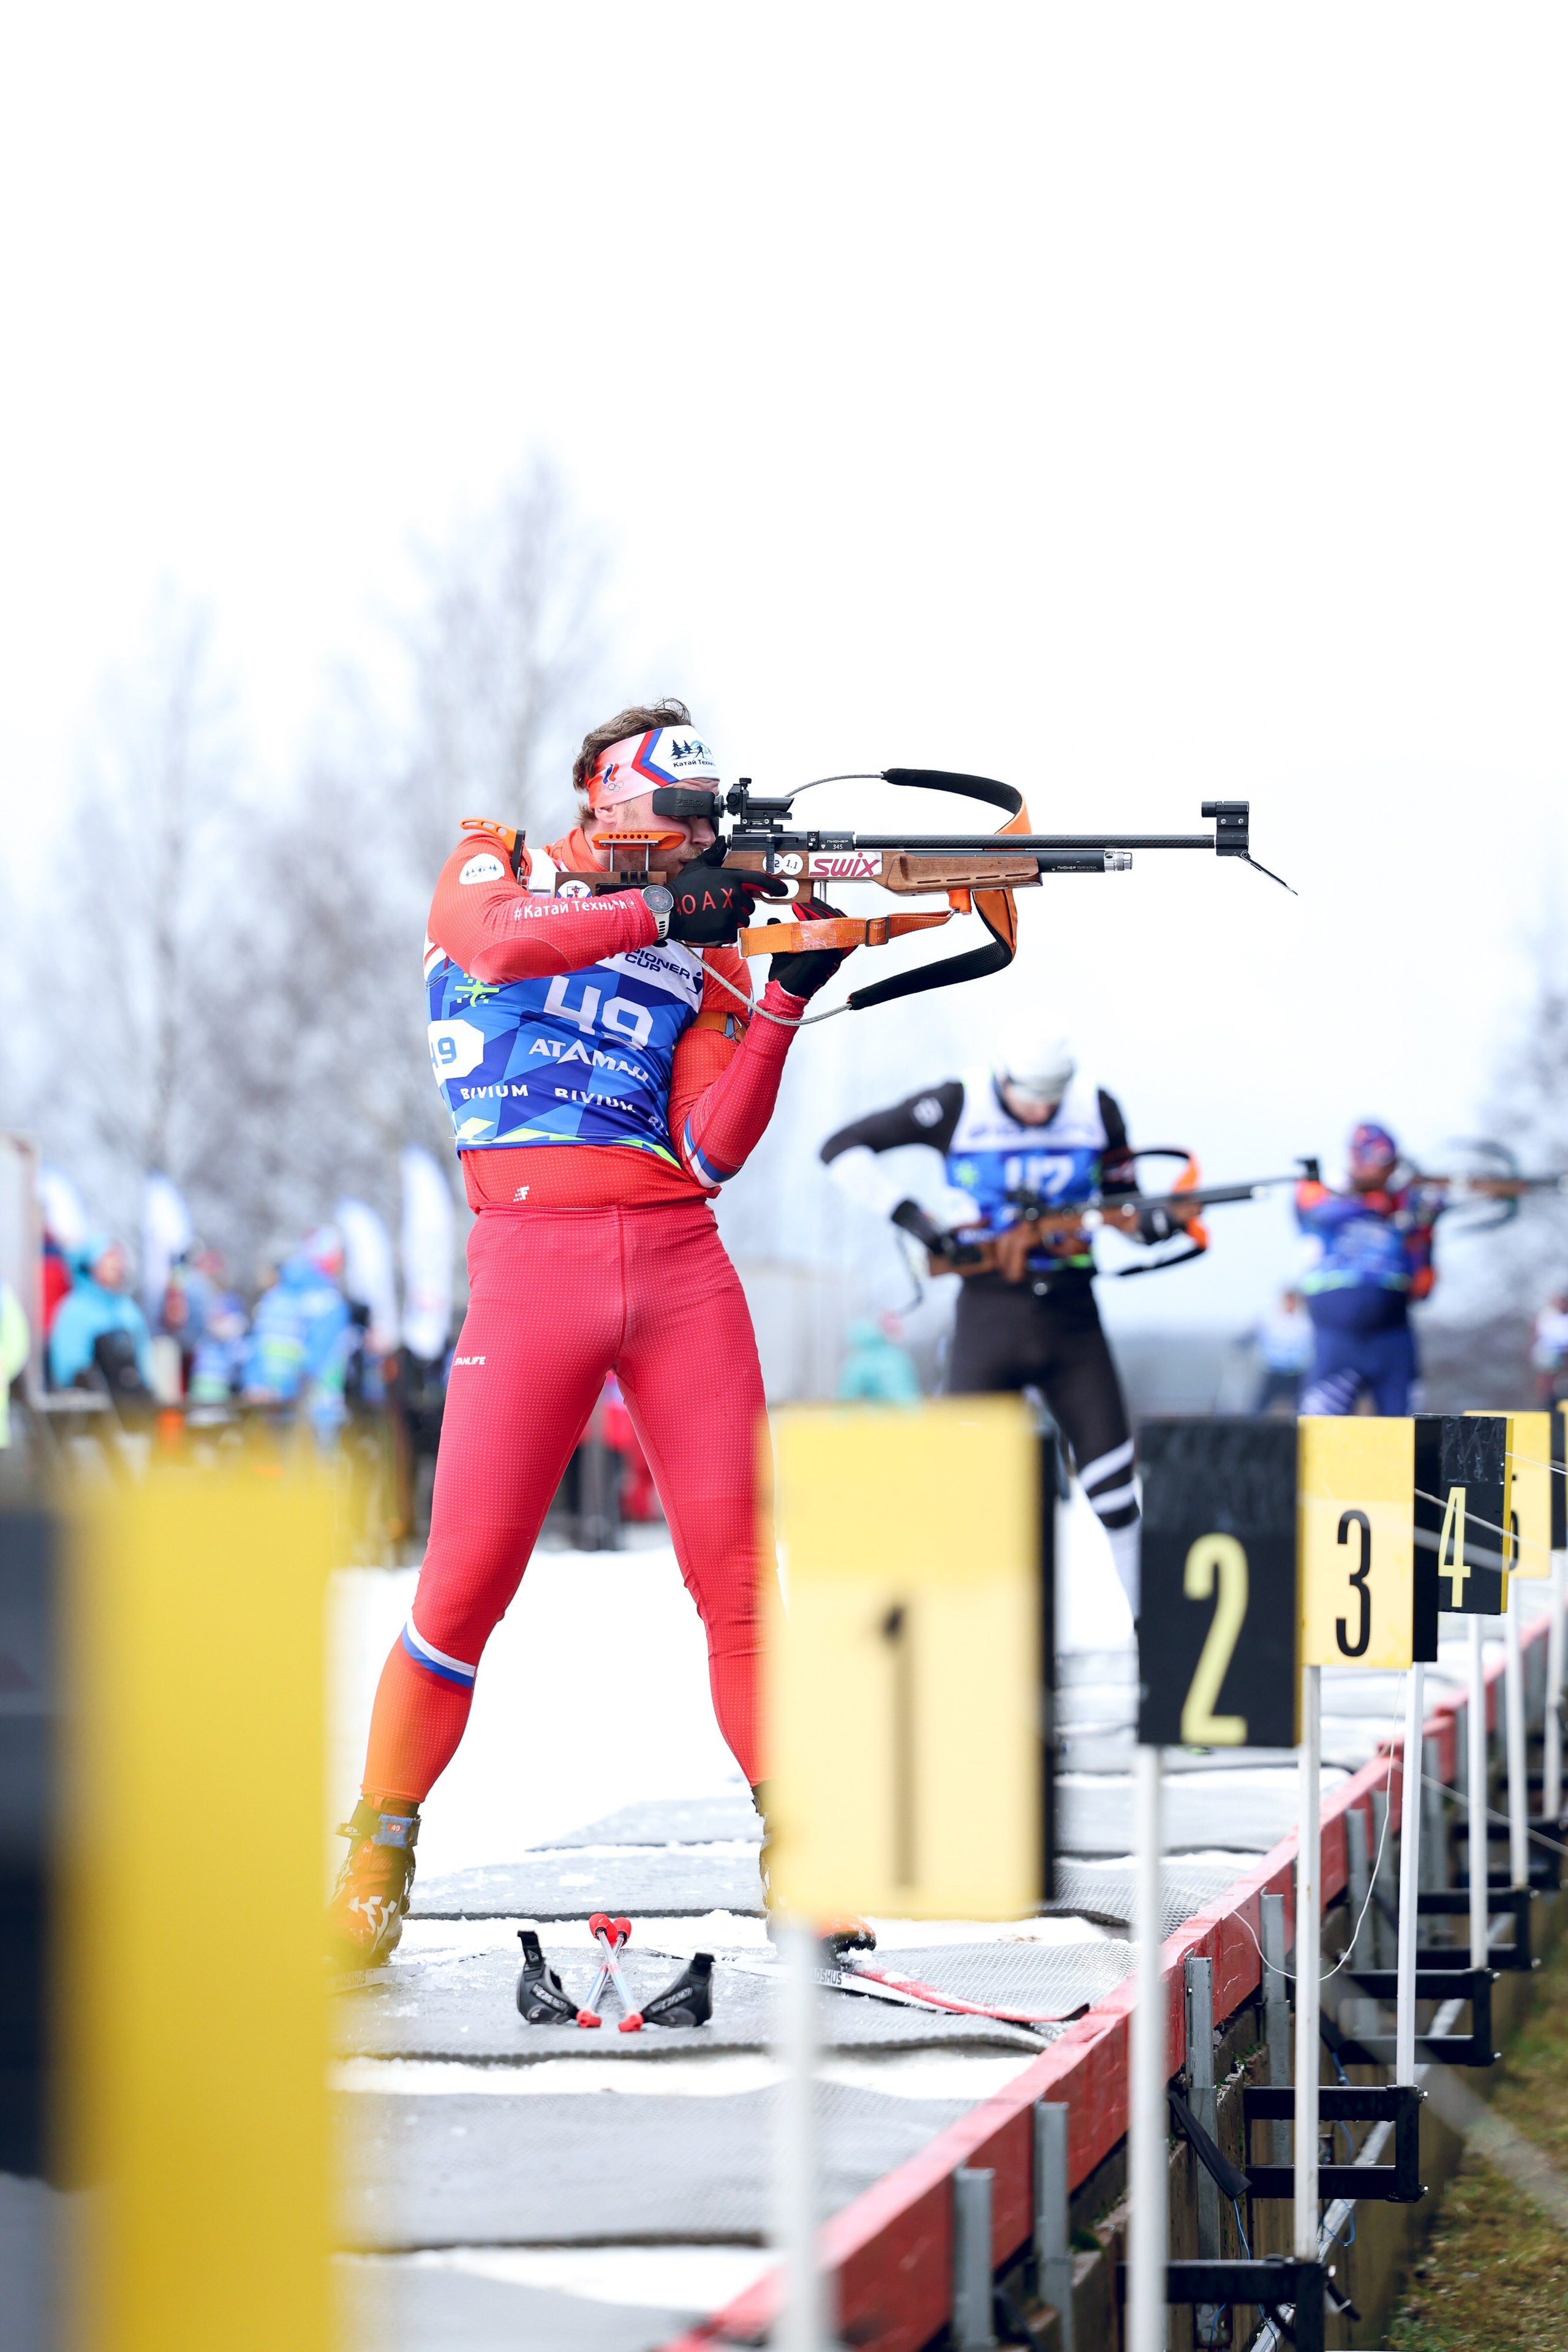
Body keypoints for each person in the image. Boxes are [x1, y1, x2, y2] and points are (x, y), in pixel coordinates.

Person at [328, 700, 850, 1967]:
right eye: (671, 817)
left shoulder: (704, 939)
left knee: (739, 1587)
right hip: (528, 1268)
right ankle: (374, 1851)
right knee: (461, 1589)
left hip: (677, 1267)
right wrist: (675, 910)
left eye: (703, 825)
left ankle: (804, 1861)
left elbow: (704, 1145)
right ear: (601, 800)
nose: (689, 841)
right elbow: (495, 948)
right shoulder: (495, 859)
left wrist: (779, 993)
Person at [820, 1036, 1171, 1613]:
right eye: (1029, 1099)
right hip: (988, 1316)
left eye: (1052, 1101)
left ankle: (1154, 1639)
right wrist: (914, 1218)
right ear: (1003, 1077)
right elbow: (840, 1148)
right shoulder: (960, 1104)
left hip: (1073, 1319)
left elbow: (1124, 1199)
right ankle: (958, 1644)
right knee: (959, 1492)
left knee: (1115, 1495)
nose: (1040, 1113)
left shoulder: (1096, 1108)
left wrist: (1153, 1224)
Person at [1295, 1123, 1443, 1415]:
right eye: (1379, 1160)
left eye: (1390, 1163)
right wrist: (1380, 1203)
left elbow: (1422, 1286)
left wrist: (1425, 1227)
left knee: (1410, 1435)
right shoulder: (1324, 1186)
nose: (1385, 1170)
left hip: (1393, 1334)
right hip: (1336, 1335)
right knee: (1318, 1435)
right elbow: (1317, 1211)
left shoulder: (1406, 1204)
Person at [244, 1227, 354, 1441]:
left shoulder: (274, 1298)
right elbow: (315, 1360)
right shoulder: (329, 1303)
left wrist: (257, 1386)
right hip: (316, 1410)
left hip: (267, 1407)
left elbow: (255, 1347)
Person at [47, 1235, 156, 1404]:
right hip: (95, 1411)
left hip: (133, 1405)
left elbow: (144, 1358)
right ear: (91, 1264)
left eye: (118, 1258)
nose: (116, 1265)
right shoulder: (75, 1310)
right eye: (109, 1258)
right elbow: (70, 1370)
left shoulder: (129, 1310)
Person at [835, 1312, 922, 1404]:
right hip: (915, 1415)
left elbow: (847, 1396)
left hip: (882, 1416)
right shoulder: (899, 1356)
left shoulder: (860, 1363)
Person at [1252, 1288, 1313, 1413]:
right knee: (1259, 1408)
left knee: (1303, 1408)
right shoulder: (1269, 1319)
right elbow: (1253, 1334)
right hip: (1273, 1371)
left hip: (1295, 1373)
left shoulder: (1305, 1321)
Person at [1531, 1287, 1568, 1407]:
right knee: (1548, 1374)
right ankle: (1547, 1401)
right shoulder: (1547, 1315)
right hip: (1551, 1351)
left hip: (1563, 1351)